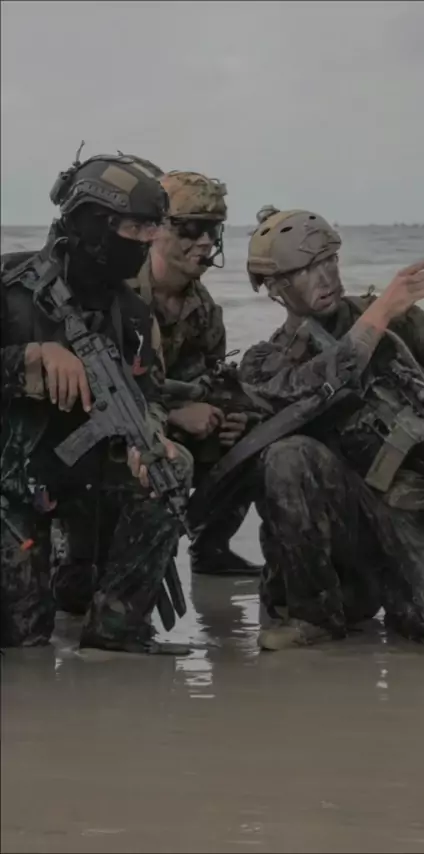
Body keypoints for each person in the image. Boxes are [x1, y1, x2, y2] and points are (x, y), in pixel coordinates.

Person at [239, 207, 424, 651]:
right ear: (274, 286)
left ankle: (394, 590)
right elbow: (316, 383)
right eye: (306, 269)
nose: (326, 276)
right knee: (287, 456)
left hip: (418, 501)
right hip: (345, 517)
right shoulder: (264, 362)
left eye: (329, 260)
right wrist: (378, 317)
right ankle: (314, 616)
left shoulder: (397, 321)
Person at [1, 151, 193, 654]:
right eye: (135, 228)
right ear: (93, 224)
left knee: (170, 467)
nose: (147, 241)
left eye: (153, 229)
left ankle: (117, 626)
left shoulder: (132, 314)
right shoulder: (10, 286)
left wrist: (150, 435)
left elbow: (149, 394)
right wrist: (29, 358)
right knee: (24, 639)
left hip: (85, 477)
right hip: (11, 485)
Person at [127, 170, 261, 576]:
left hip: (171, 429)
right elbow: (93, 392)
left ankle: (211, 547)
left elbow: (210, 381)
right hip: (119, 435)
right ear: (155, 230)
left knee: (256, 438)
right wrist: (171, 416)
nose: (204, 242)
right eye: (190, 228)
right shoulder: (118, 294)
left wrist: (232, 418)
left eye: (212, 230)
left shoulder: (204, 310)